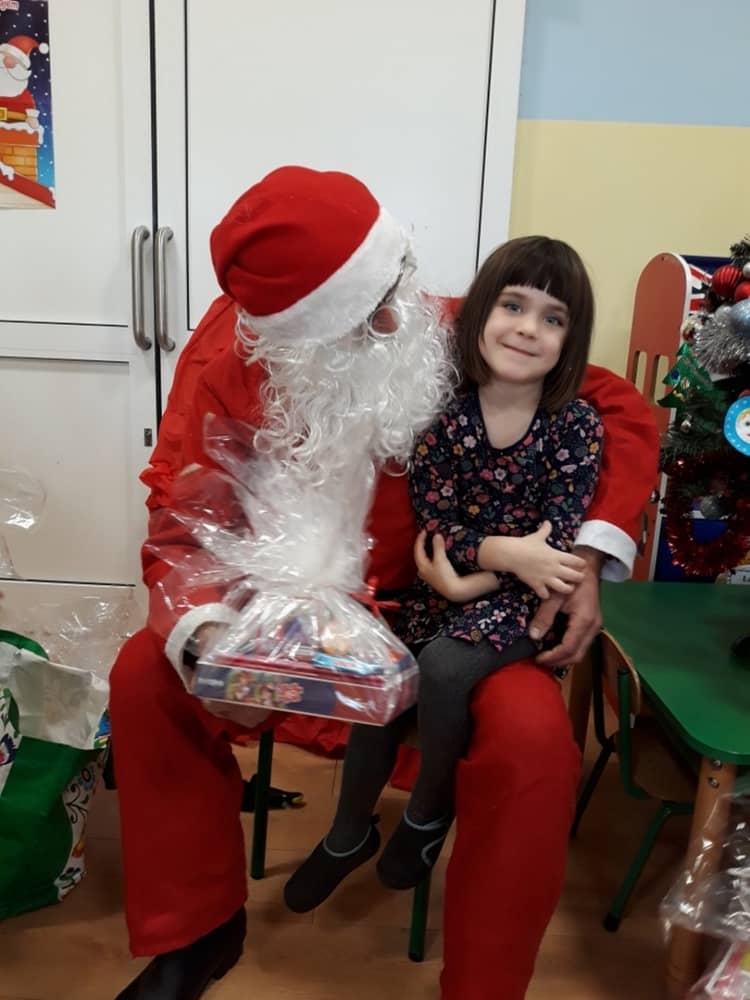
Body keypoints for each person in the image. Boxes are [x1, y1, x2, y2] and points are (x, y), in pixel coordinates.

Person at [109, 166, 659, 1000]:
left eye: (394, 286)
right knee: (144, 679)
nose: (399, 318)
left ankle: (482, 986)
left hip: (450, 611)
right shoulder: (229, 358)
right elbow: (182, 520)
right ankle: (196, 933)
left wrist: (583, 557)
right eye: (364, 317)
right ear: (297, 335)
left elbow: (615, 407)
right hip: (283, 620)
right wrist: (215, 640)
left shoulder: (444, 327)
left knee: (535, 741)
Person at [284, 236, 604, 906]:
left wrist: (477, 575)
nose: (528, 328)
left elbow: (553, 548)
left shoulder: (573, 426)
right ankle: (348, 832)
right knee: (383, 673)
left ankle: (429, 813)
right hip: (445, 594)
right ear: (481, 311)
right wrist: (490, 560)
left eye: (552, 318)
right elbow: (437, 525)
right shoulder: (445, 416)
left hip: (522, 606)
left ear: (569, 340)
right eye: (513, 305)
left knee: (446, 668)